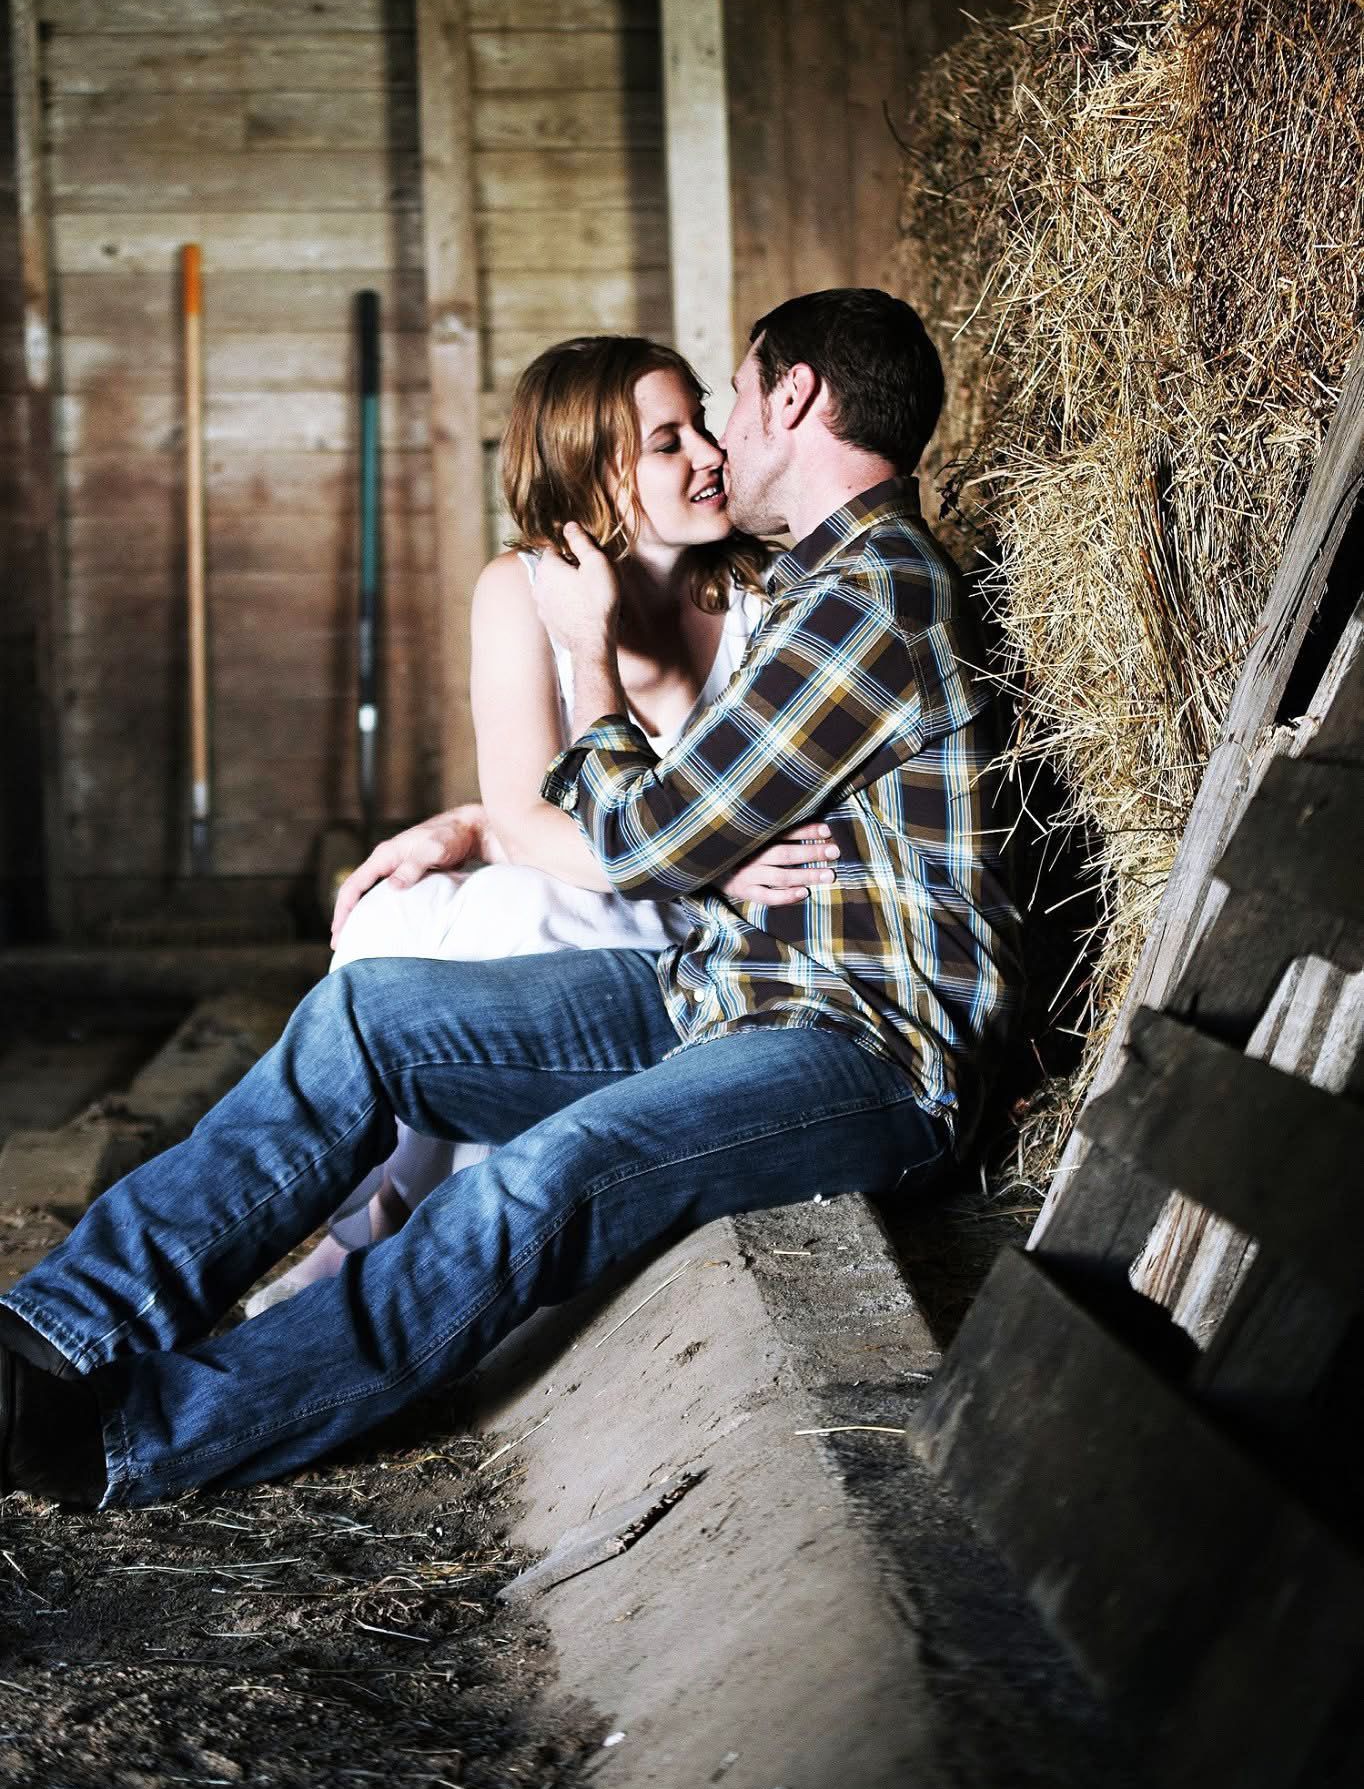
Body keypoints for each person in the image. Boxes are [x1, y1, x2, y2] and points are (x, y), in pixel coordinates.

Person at [0, 288, 1022, 1511]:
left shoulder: (867, 598)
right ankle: (51, 1334)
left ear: (791, 398)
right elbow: (655, 823)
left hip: (862, 1050)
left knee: (548, 1174)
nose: (719, 436)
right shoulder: (819, 585)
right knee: (369, 1013)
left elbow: (645, 834)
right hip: (721, 986)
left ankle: (134, 1435)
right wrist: (522, 822)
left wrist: (594, 670)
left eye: (734, 401)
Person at [246, 334, 833, 1311]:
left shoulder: (759, 596)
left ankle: (390, 1236)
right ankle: (377, 1223)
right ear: (592, 469)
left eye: (700, 420)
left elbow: (560, 829)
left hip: (702, 932)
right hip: (613, 879)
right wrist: (488, 824)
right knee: (395, 914)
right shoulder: (514, 590)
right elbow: (524, 814)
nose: (708, 452)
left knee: (507, 920)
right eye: (666, 439)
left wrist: (689, 867)